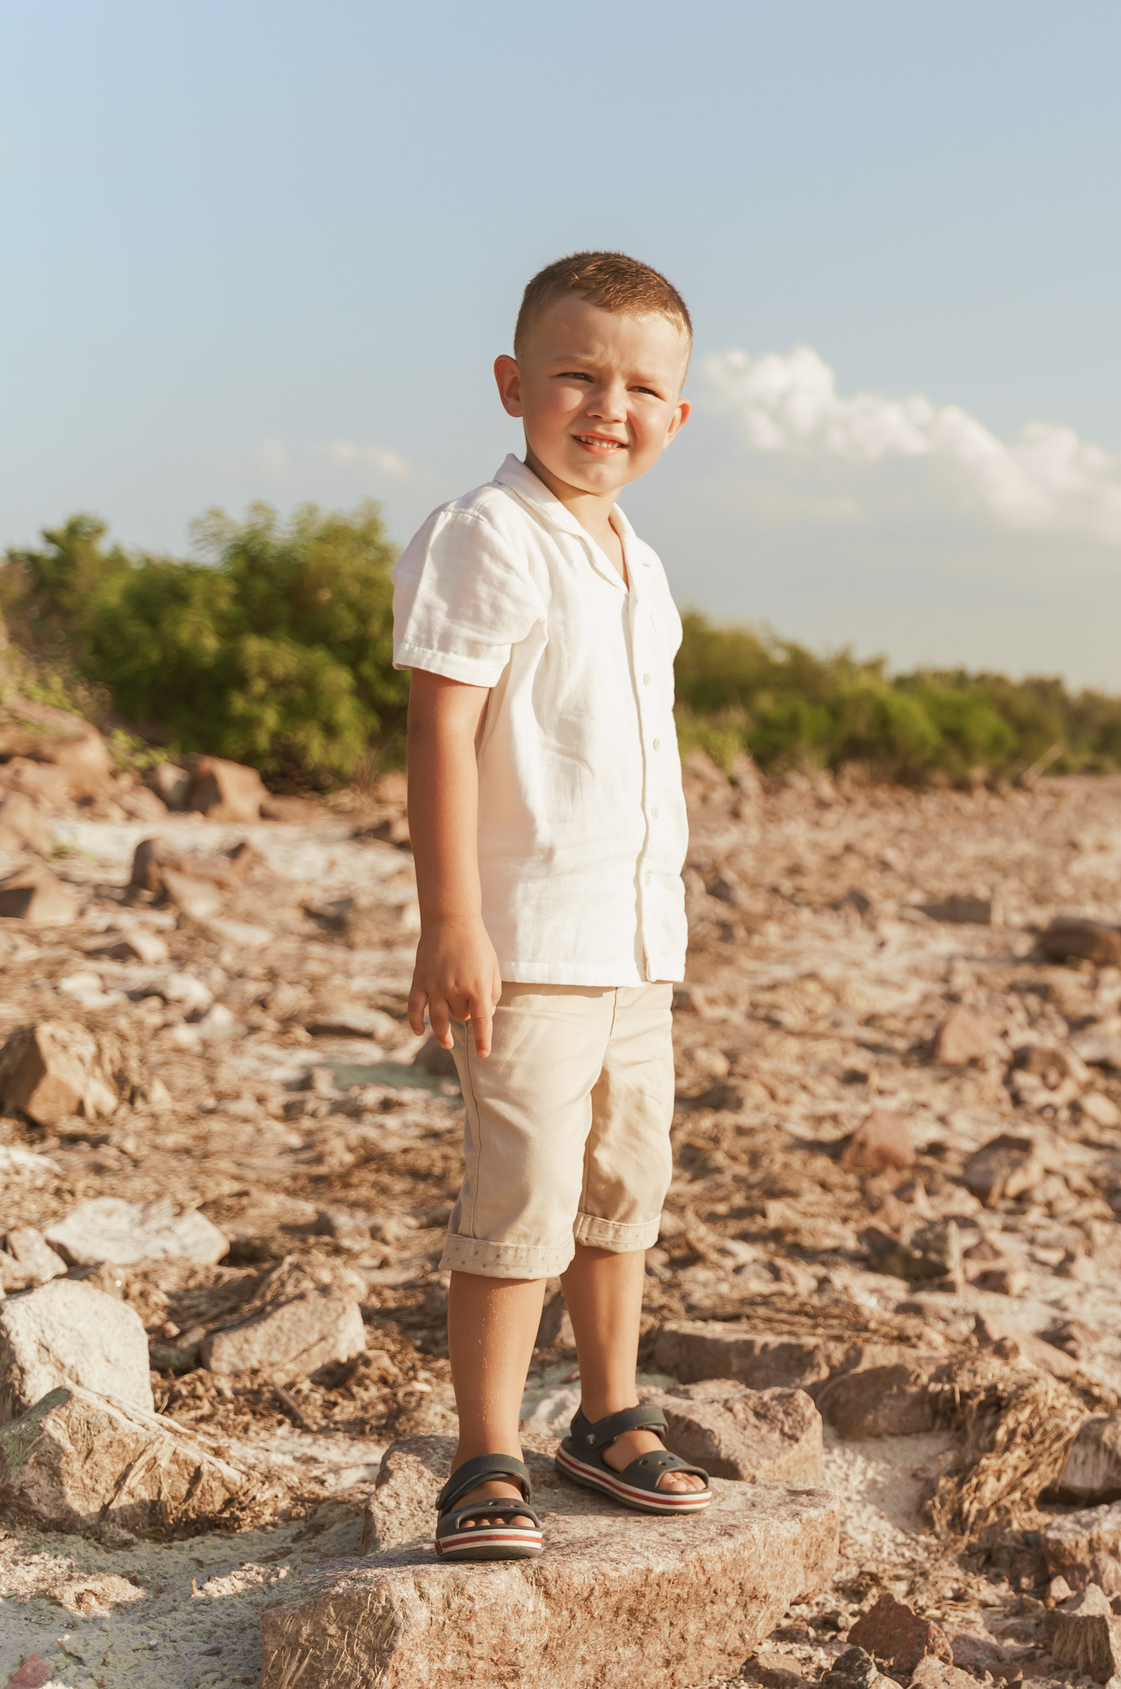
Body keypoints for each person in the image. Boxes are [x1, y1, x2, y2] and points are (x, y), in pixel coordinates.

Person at [393, 251, 709, 1560]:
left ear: (676, 420)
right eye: (578, 374)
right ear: (515, 382)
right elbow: (442, 732)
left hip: (635, 943)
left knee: (622, 1181)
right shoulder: (489, 532)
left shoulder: (638, 555)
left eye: (642, 387)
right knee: (519, 1192)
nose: (608, 406)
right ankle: (482, 1454)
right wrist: (452, 919)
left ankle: (606, 1412)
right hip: (528, 938)